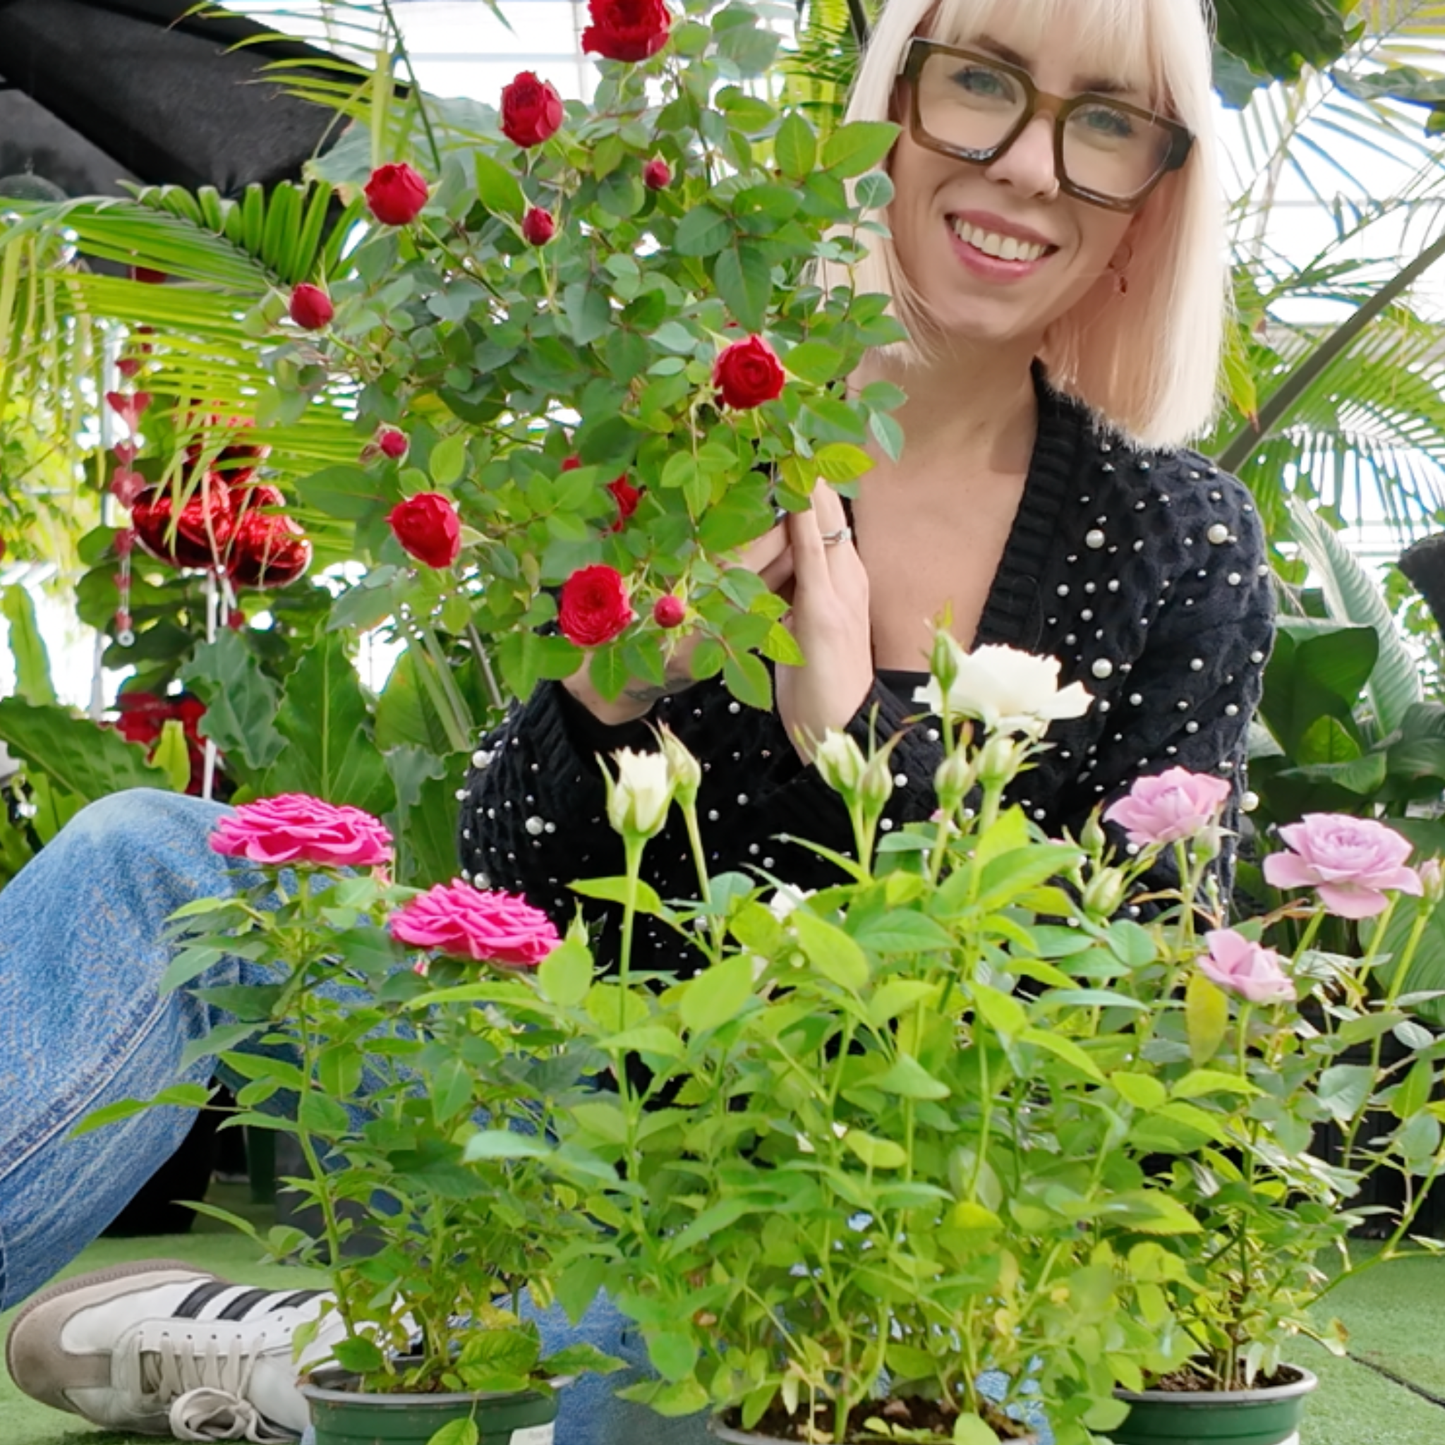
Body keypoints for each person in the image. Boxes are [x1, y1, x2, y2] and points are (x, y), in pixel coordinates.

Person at [1, 0, 1274, 1439]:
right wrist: (614, 694)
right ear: (894, 109)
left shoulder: (1179, 541)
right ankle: (428, 1340)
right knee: (150, 866)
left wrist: (849, 731)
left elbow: (1146, 1020)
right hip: (565, 1124)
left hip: (895, 1232)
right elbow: (498, 895)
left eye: (1104, 121)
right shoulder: (692, 423)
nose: (1032, 165)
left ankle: (350, 1352)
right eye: (982, 85)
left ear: (1154, 197)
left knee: (750, 1360)